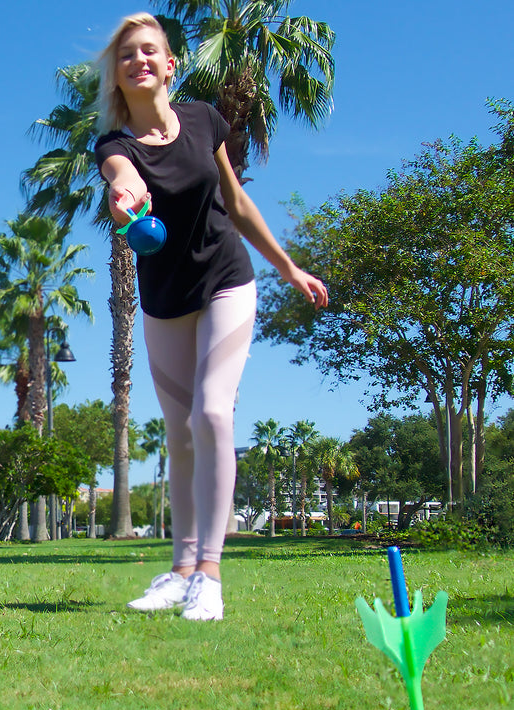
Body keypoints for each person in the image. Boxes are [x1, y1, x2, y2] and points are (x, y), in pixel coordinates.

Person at [95, 14, 328, 621]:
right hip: (164, 298)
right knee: (179, 433)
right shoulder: (115, 149)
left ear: (171, 65)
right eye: (127, 56)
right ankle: (178, 568)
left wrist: (287, 267)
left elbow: (237, 201)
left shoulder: (202, 119)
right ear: (117, 78)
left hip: (227, 278)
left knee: (211, 412)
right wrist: (125, 196)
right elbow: (120, 181)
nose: (139, 61)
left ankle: (210, 575)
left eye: (151, 52)